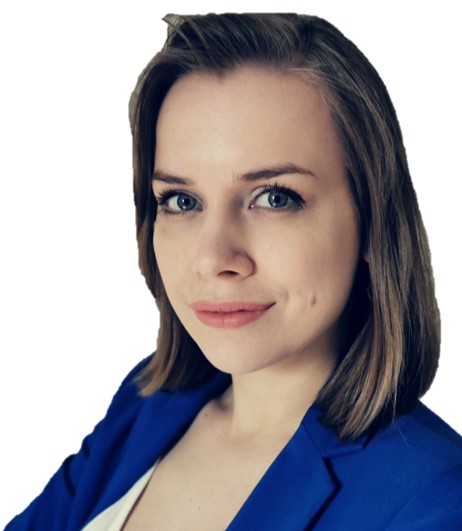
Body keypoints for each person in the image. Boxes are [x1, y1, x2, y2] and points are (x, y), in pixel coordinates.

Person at [6, 12, 462, 530]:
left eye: (274, 198)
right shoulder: (145, 404)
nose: (213, 257)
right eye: (181, 200)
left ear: (373, 221)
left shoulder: (437, 503)